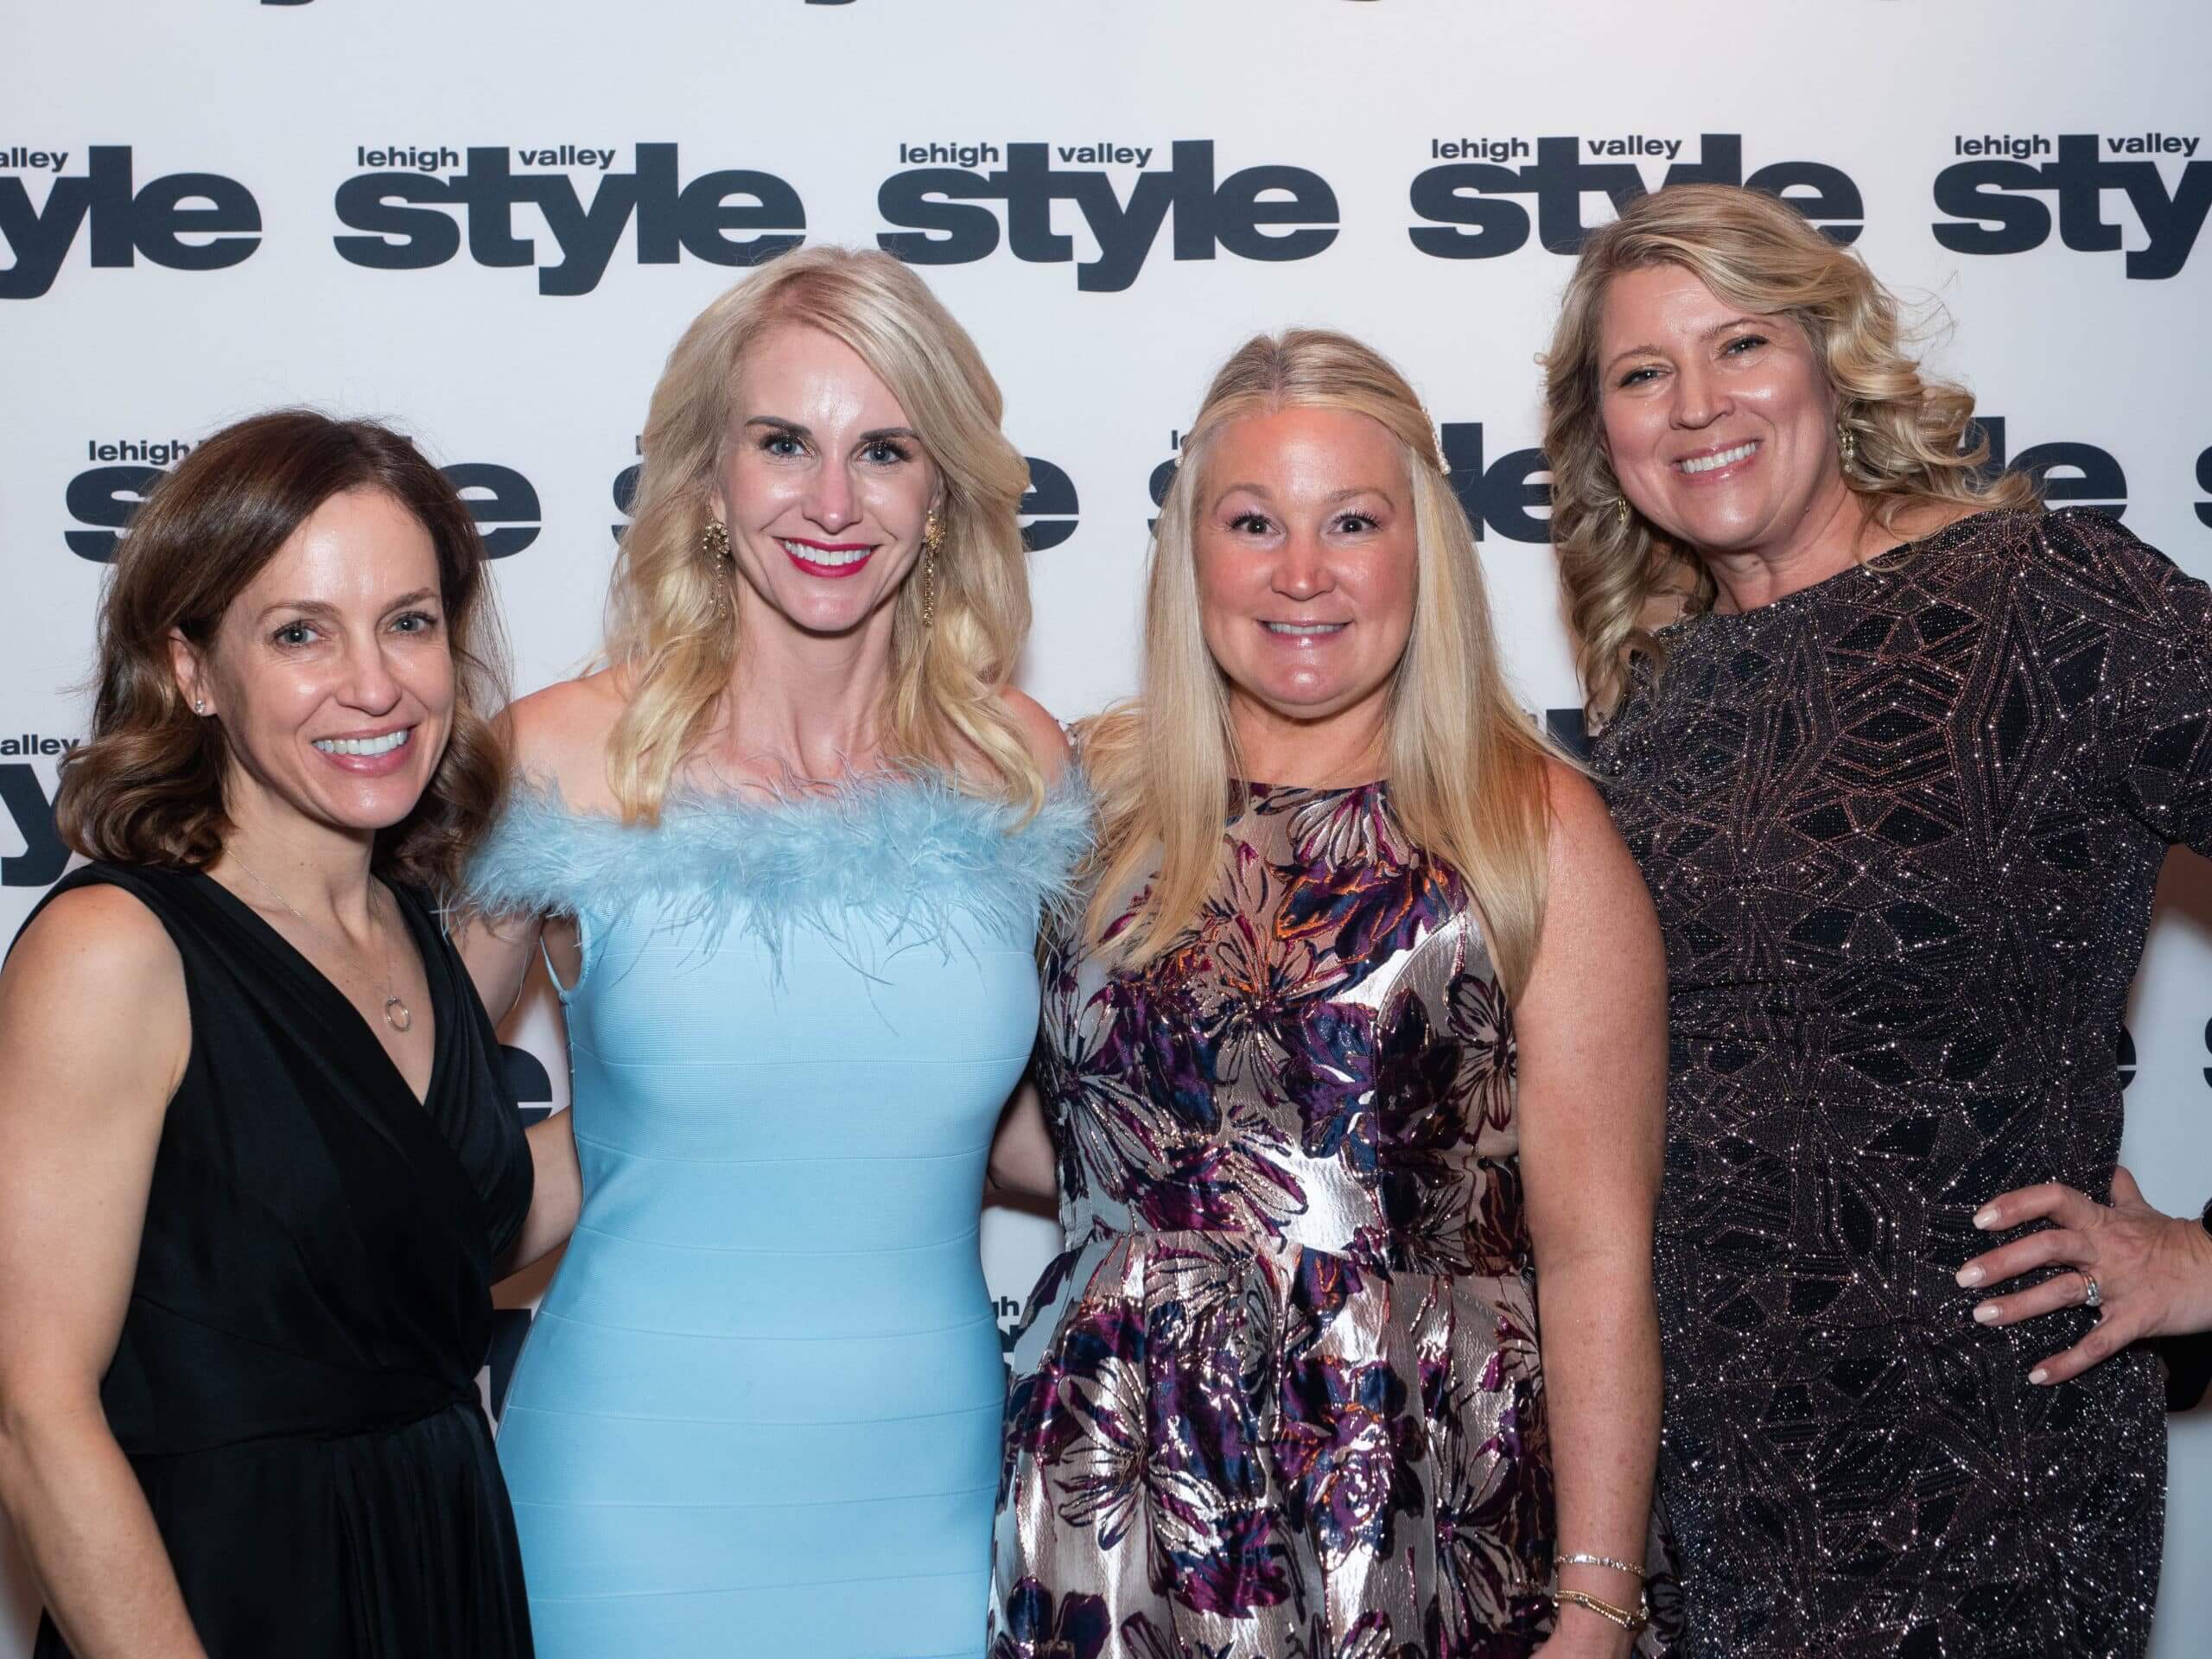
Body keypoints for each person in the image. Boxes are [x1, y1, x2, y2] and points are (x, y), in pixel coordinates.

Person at [1548, 181, 2212, 1656]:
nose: (1697, 405)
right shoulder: (1661, 703)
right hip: (1708, 1489)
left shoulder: (2045, 596)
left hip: (1987, 1467)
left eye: (1742, 347)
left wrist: (2209, 1262)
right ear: (1602, 434)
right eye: (1642, 374)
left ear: (1829, 361)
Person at [988, 329, 1680, 1658]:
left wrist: (1593, 1607)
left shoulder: (1533, 829)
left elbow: (1597, 1252)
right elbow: (1025, 1124)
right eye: (1254, 523)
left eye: (1351, 522)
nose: (1301, 575)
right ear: (1191, 553)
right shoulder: (1082, 809)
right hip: (1116, 1497)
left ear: (1422, 545)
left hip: (1424, 1498)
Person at [457, 246, 1086, 1658]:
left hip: (933, 1499)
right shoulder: (565, 759)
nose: (830, 502)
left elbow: (1060, 1136)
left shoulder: (1018, 769)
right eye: (783, 443)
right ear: (707, 478)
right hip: (623, 1497)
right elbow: (403, 1125)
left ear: (941, 498)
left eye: (884, 451)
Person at [0, 411, 537, 1658]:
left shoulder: (407, 919)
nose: (374, 684)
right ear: (191, 670)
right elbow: (34, 1412)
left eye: (409, 622)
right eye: (301, 633)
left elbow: (404, 1241)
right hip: (228, 1594)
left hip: (440, 1557)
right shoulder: (116, 951)